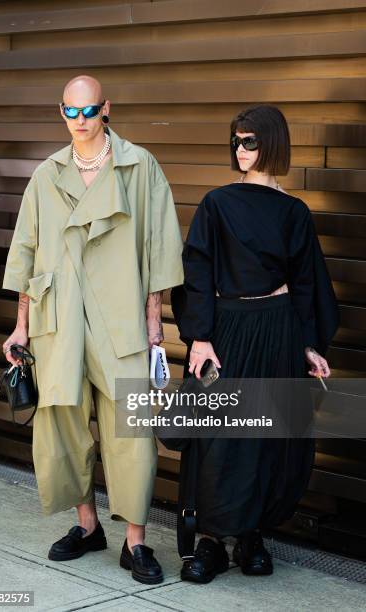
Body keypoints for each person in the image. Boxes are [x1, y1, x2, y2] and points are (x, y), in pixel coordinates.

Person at [1, 75, 184, 584]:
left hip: (121, 315)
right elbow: (26, 254)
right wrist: (20, 328)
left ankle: (136, 542)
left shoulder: (139, 166)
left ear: (106, 109)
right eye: (69, 111)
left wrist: (154, 325)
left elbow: (159, 247)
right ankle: (87, 526)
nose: (79, 121)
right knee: (64, 425)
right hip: (58, 320)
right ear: (61, 113)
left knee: (134, 431)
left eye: (88, 111)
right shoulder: (46, 174)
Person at [171, 104, 339, 583]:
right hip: (226, 328)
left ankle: (251, 538)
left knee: (268, 436)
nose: (239, 150)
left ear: (272, 144)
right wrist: (199, 338)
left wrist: (309, 345)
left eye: (249, 141)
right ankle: (209, 543)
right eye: (235, 141)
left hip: (279, 327)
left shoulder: (294, 211)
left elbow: (307, 283)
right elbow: (197, 271)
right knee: (219, 437)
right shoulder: (217, 202)